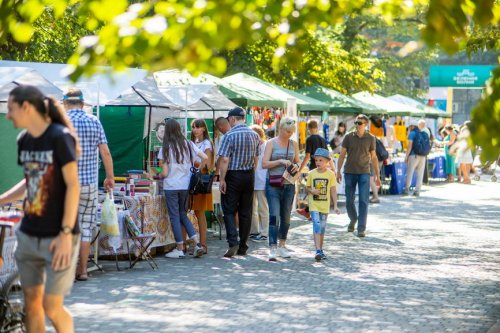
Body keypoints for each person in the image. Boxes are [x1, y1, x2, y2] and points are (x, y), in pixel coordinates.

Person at [0, 85, 81, 332]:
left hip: (58, 235)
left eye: (10, 109)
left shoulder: (59, 137)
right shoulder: (24, 140)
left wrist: (66, 234)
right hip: (29, 233)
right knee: (32, 304)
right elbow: (30, 180)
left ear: (26, 108)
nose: (7, 115)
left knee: (51, 306)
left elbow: (72, 185)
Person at [63, 88, 114, 281]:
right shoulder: (94, 121)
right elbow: (105, 152)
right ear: (83, 104)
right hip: (88, 185)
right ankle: (82, 271)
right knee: (85, 227)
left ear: (64, 103)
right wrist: (110, 176)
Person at [159, 119, 207, 259]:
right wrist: (195, 169)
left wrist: (156, 175)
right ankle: (198, 244)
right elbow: (204, 157)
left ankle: (180, 248)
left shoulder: (165, 148)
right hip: (185, 186)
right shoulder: (189, 144)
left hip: (171, 186)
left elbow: (165, 172)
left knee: (175, 216)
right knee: (183, 214)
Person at [218, 107, 260, 257]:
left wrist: (222, 179)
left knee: (229, 210)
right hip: (249, 174)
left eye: (229, 120)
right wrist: (251, 172)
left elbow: (224, 159)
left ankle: (232, 242)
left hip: (233, 175)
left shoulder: (229, 135)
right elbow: (256, 158)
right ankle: (243, 245)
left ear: (233, 119)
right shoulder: (255, 135)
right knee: (246, 211)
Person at [262, 117, 300, 261]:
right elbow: (264, 164)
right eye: (286, 131)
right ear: (281, 129)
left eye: (291, 132)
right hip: (273, 184)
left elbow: (297, 161)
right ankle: (272, 246)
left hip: (289, 184)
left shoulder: (294, 144)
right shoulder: (271, 143)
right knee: (274, 215)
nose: (289, 134)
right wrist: (280, 161)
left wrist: (296, 165)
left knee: (286, 217)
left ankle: (282, 244)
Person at [337, 114, 380, 238]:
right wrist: (338, 171)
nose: (357, 125)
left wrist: (377, 175)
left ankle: (361, 228)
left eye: (360, 123)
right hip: (349, 172)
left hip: (364, 173)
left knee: (363, 201)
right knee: (349, 201)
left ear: (366, 125)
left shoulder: (371, 138)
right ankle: (353, 219)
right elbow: (342, 155)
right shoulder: (348, 137)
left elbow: (374, 157)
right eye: (356, 122)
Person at [306, 148, 341, 261]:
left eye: (321, 160)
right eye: (316, 160)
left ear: (327, 162)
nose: (318, 163)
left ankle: (320, 249)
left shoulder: (330, 175)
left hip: (325, 206)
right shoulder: (311, 173)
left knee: (322, 228)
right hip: (314, 205)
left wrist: (335, 205)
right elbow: (307, 187)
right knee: (316, 225)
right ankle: (317, 250)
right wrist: (312, 191)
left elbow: (333, 190)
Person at [190, 119, 214, 254]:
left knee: (200, 213)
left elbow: (207, 164)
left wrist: (192, 163)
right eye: (193, 127)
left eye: (198, 127)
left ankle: (203, 244)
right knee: (192, 213)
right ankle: (194, 244)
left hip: (200, 182)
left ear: (204, 128)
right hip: (192, 181)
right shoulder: (193, 143)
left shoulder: (206, 144)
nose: (195, 129)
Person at [249, 125, 269, 243]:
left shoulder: (266, 145)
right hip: (252, 180)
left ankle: (264, 232)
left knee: (263, 208)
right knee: (252, 208)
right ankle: (254, 231)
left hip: (262, 180)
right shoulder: (252, 146)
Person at [403, 119, 430, 196]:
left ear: (411, 126)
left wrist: (406, 156)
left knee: (410, 172)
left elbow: (409, 146)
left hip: (413, 155)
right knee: (420, 174)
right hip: (423, 156)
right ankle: (417, 191)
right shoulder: (424, 133)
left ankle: (406, 189)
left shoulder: (412, 133)